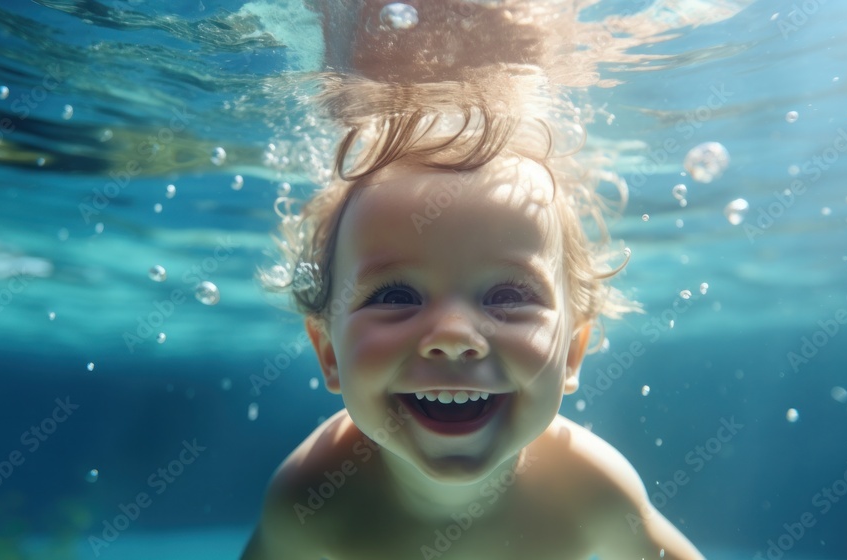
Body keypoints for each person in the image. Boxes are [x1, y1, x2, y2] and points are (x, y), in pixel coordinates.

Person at [242, 2, 704, 558]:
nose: (454, 335)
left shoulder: (591, 495)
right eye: (395, 295)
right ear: (328, 354)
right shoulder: (311, 503)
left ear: (572, 352)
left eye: (508, 295)